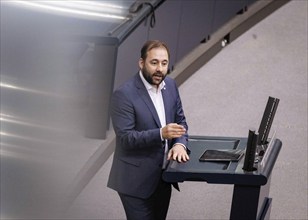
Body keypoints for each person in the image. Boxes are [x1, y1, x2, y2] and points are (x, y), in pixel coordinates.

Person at [107, 40, 190, 220]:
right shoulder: (124, 95)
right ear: (142, 63)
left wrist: (180, 145)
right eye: (154, 63)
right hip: (134, 181)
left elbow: (180, 121)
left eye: (164, 63)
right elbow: (126, 138)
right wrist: (161, 133)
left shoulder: (171, 86)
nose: (160, 68)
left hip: (162, 177)